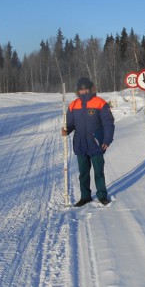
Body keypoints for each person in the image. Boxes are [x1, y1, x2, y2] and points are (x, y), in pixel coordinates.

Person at [62, 77, 115, 206]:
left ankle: (102, 195)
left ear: (91, 88)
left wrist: (107, 140)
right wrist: (66, 130)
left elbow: (109, 123)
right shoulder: (73, 105)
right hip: (80, 144)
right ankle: (85, 196)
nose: (84, 92)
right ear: (78, 91)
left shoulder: (100, 103)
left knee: (99, 172)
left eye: (86, 89)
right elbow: (70, 124)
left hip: (96, 143)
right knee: (83, 173)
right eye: (81, 90)